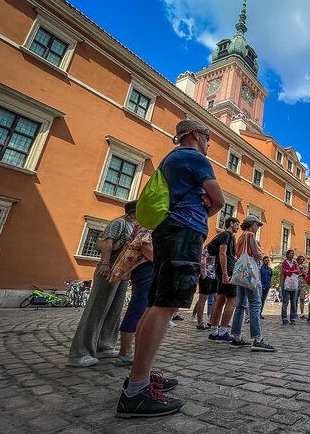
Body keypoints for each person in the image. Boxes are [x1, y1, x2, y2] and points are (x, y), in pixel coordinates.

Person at [117, 119, 225, 418]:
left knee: (155, 303)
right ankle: (136, 391)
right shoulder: (193, 157)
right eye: (207, 136)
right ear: (193, 135)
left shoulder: (171, 159)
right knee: (165, 305)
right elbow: (218, 200)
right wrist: (209, 206)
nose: (208, 143)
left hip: (167, 228)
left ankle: (141, 373)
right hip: (185, 229)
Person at [67, 200, 138, 368]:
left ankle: (104, 345)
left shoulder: (134, 227)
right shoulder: (120, 223)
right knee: (97, 309)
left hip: (122, 273)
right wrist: (105, 264)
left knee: (114, 309)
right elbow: (107, 242)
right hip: (109, 269)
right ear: (134, 211)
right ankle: (80, 353)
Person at [230, 215, 275, 351]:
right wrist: (259, 255)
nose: (258, 227)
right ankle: (258, 338)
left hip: (241, 273)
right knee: (255, 304)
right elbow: (257, 253)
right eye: (257, 224)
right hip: (249, 273)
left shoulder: (240, 236)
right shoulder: (250, 234)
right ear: (251, 224)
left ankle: (236, 337)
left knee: (240, 305)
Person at [111, 223, 154, 366]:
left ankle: (129, 350)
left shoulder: (144, 220)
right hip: (146, 267)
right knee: (138, 308)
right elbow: (146, 246)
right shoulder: (152, 220)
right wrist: (162, 264)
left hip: (143, 267)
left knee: (141, 308)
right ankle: (125, 352)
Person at [207, 217, 240, 342]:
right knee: (232, 300)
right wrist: (225, 273)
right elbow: (222, 253)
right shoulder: (227, 235)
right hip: (227, 270)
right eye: (237, 224)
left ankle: (214, 331)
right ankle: (223, 331)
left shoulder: (225, 235)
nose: (238, 226)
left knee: (220, 299)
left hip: (221, 270)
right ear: (231, 223)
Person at [194, 246, 215, 331]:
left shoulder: (220, 248)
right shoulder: (210, 247)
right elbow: (203, 259)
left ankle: (211, 322)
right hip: (207, 275)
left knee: (217, 299)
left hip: (214, 276)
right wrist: (204, 274)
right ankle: (200, 323)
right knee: (203, 299)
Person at [280, 249, 299, 325]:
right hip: (286, 284)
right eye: (291, 253)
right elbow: (284, 271)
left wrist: (289, 272)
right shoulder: (284, 263)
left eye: (293, 253)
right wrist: (292, 272)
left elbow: (297, 272)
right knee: (285, 302)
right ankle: (284, 318)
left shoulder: (294, 263)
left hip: (293, 285)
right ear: (287, 255)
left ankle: (293, 318)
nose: (292, 255)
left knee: (293, 302)